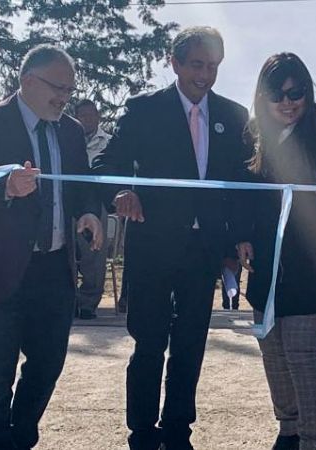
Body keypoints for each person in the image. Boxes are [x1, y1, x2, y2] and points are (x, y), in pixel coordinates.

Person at [92, 27, 251, 450]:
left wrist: (236, 241)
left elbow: (240, 185)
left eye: (213, 66)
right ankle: (142, 433)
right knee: (149, 343)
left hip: (204, 248)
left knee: (191, 343)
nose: (205, 75)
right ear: (174, 63)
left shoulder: (234, 115)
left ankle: (178, 430)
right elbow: (108, 161)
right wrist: (120, 193)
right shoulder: (144, 109)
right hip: (153, 245)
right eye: (197, 64)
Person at [0, 44, 103, 450]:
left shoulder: (70, 131)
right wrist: (5, 187)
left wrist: (88, 213)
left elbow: (82, 185)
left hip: (53, 270)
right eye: (58, 88)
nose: (64, 98)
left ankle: (19, 438)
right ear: (28, 81)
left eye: (70, 90)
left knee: (48, 365)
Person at [235, 52, 316, 450]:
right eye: (277, 94)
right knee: (272, 352)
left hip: (314, 266)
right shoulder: (251, 138)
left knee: (301, 353)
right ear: (263, 96)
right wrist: (239, 237)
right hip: (266, 265)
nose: (288, 102)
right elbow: (238, 197)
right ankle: (288, 429)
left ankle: (314, 440)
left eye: (297, 93)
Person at [73, 99, 112, 319]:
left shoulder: (110, 142)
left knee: (94, 253)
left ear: (98, 117)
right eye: (82, 115)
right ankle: (69, 300)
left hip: (99, 203)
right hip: (69, 200)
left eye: (91, 114)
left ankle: (88, 302)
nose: (87, 119)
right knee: (65, 253)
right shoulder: (67, 139)